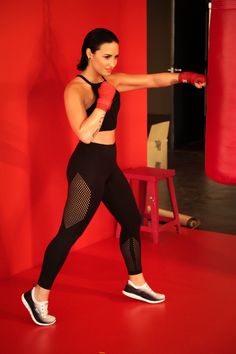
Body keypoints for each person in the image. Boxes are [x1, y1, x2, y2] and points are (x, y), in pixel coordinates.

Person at [21, 28, 206, 326]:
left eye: (116, 56)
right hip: (88, 166)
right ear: (89, 54)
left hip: (108, 164)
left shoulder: (114, 81)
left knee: (131, 220)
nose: (112, 63)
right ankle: (37, 295)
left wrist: (185, 77)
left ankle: (135, 282)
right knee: (69, 232)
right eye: (106, 56)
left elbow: (152, 80)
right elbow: (83, 132)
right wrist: (104, 102)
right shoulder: (76, 89)